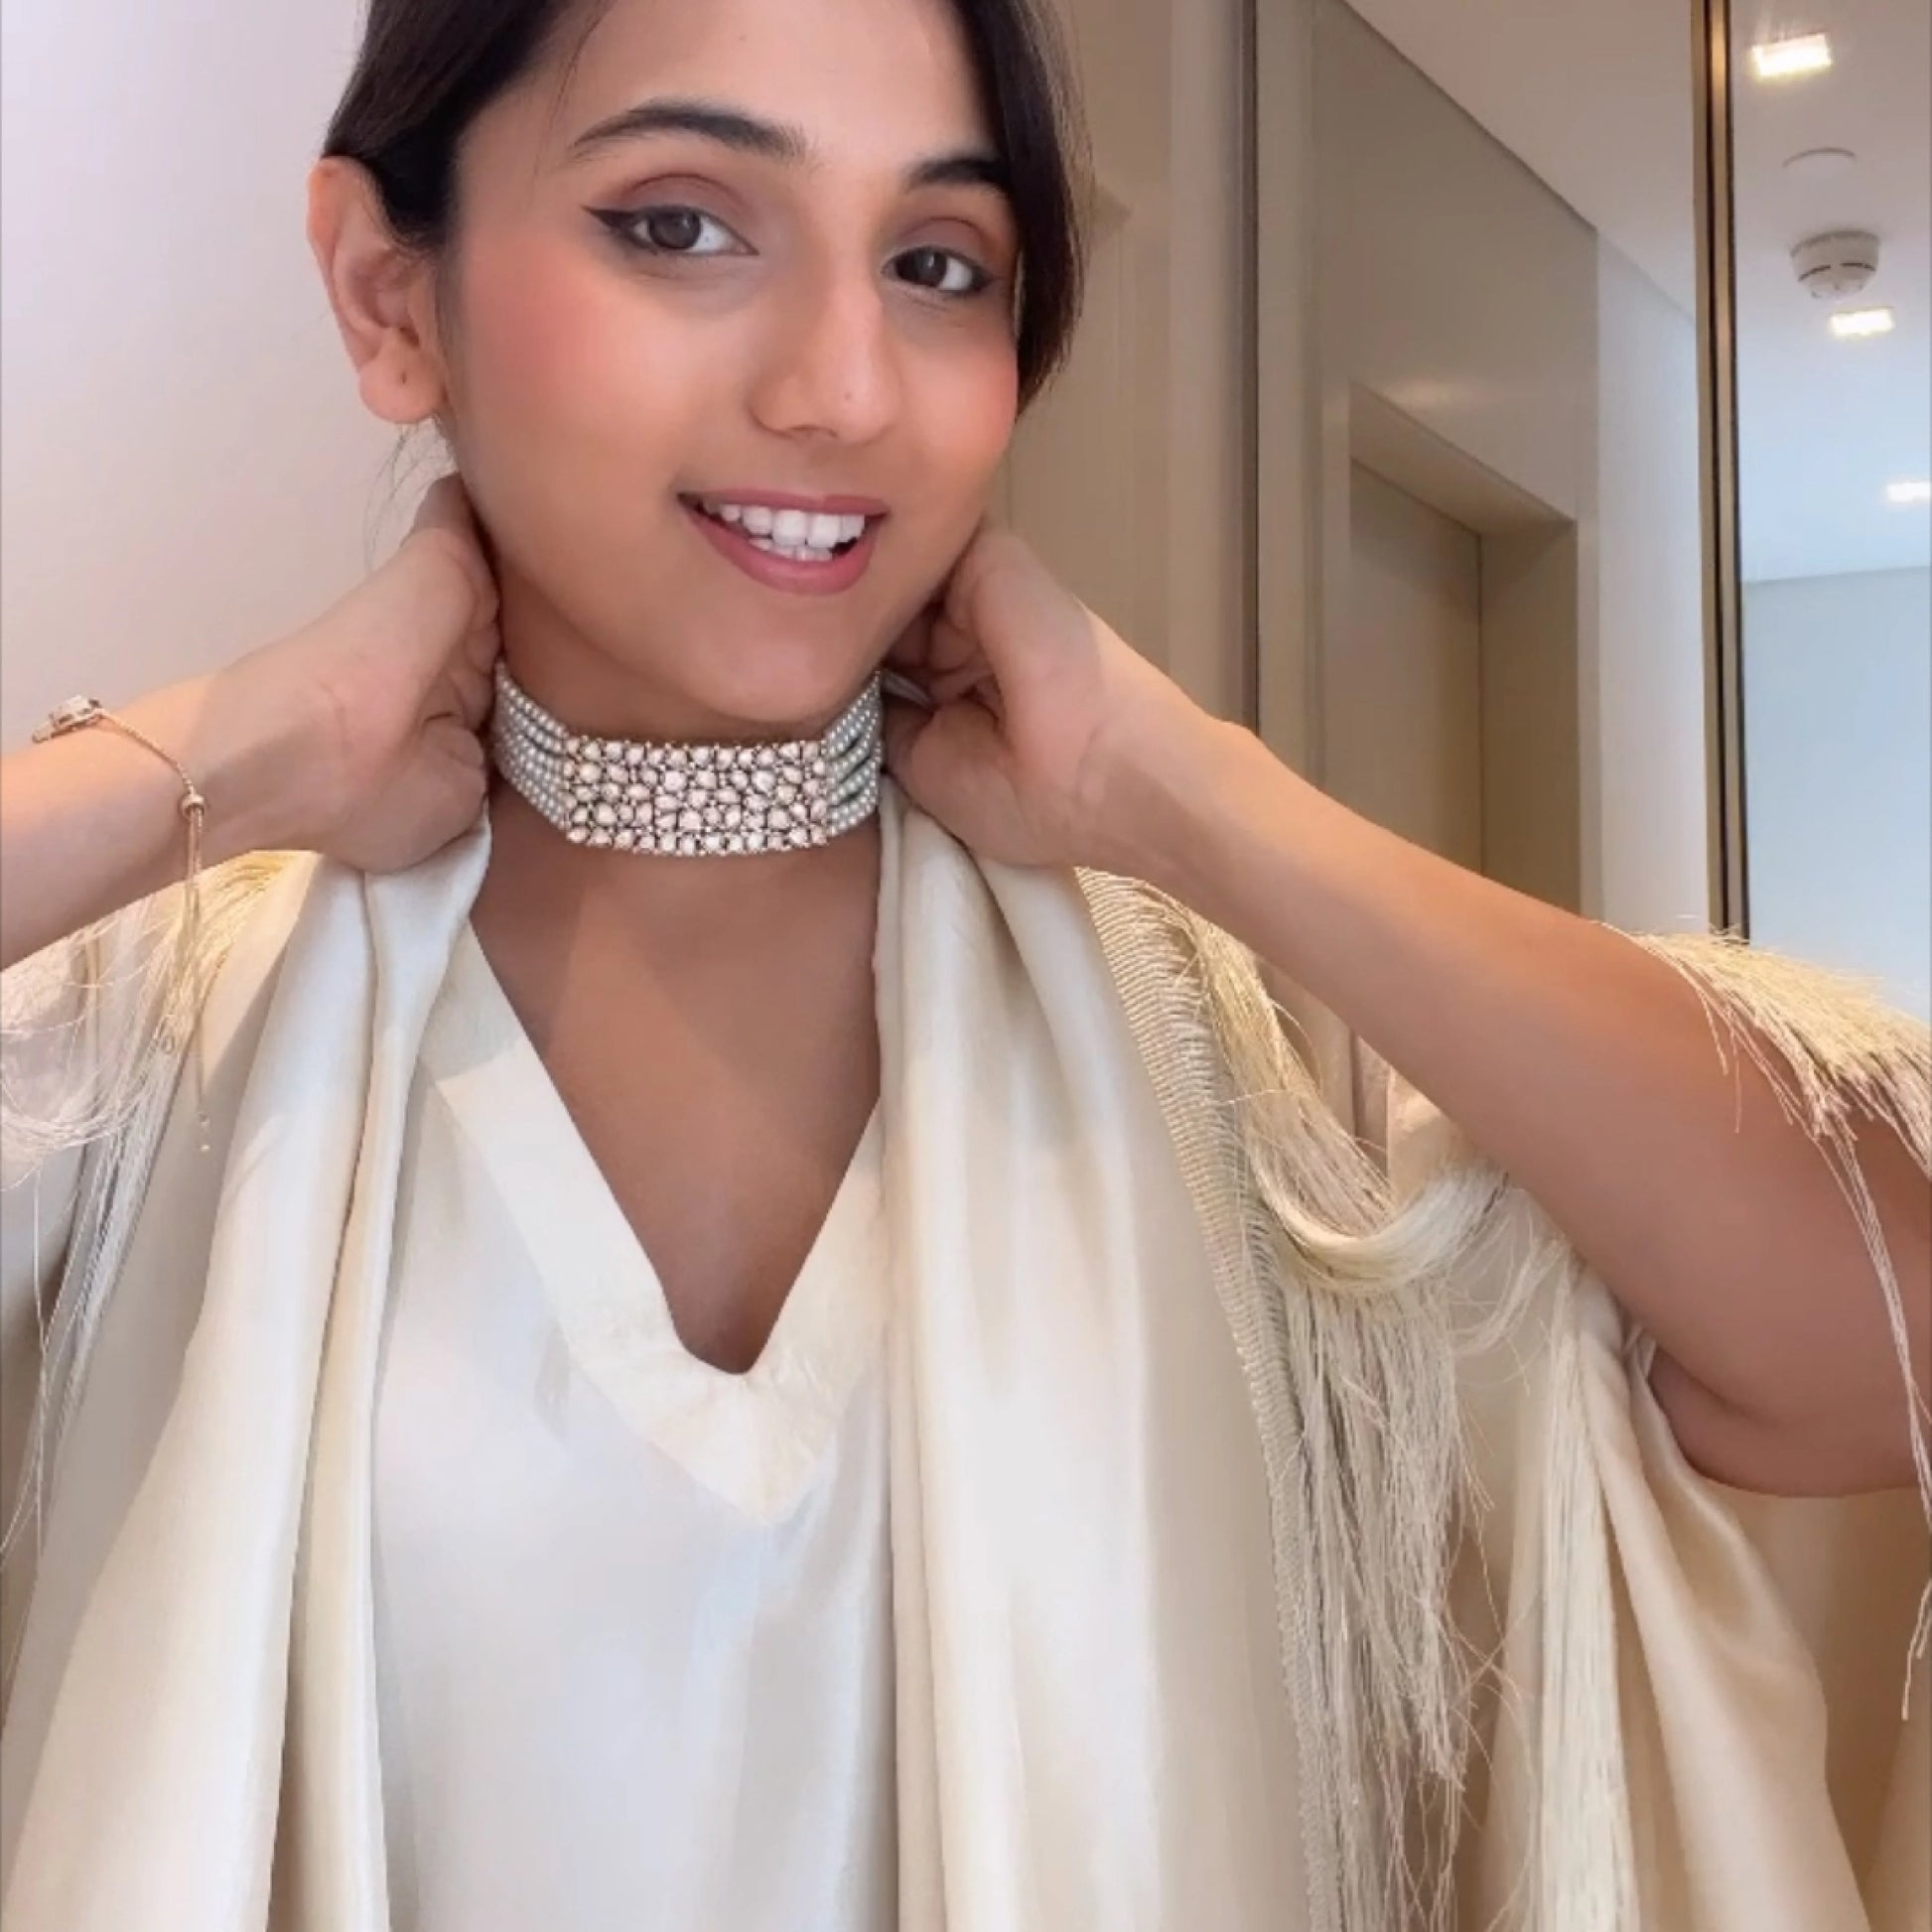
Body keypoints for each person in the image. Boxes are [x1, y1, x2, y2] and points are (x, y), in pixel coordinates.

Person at [0, 0, 1926, 1925]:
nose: (843, 385)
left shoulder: (1221, 1069)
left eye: (937, 264)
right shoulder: (152, 1048)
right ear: (382, 289)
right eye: (678, 223)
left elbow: (1880, 1347)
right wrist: (228, 752)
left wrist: (1188, 791)